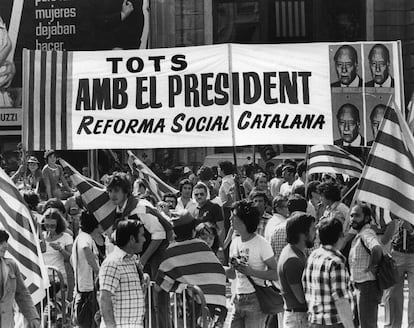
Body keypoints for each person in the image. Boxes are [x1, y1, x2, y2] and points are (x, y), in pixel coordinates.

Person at [156, 212, 227, 327]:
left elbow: (159, 285)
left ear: (174, 232)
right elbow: (218, 272)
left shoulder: (171, 252)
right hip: (217, 303)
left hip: (197, 306)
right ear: (193, 230)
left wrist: (179, 287)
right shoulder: (203, 246)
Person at [107, 172, 171, 278]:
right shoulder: (116, 210)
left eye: (116, 191)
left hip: (156, 257)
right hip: (136, 257)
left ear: (126, 191)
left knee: (155, 290)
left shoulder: (140, 208)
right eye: (110, 191)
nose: (112, 195)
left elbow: (159, 235)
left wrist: (143, 261)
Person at [227, 200, 278, 328]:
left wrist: (251, 272)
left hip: (255, 299)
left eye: (233, 216)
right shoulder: (235, 242)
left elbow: (276, 273)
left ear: (243, 220)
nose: (230, 219)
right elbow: (232, 275)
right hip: (238, 299)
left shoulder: (262, 243)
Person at [303, 218, 355, 328]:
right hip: (333, 323)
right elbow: (341, 300)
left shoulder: (313, 256)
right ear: (340, 236)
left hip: (315, 320)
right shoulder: (336, 263)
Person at [99, 219, 146, 328]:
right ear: (132, 239)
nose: (144, 239)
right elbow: (105, 298)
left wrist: (145, 278)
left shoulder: (133, 260)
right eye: (142, 235)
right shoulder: (112, 263)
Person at [278, 213, 316, 328]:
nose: (316, 233)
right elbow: (301, 297)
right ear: (303, 233)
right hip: (298, 319)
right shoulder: (292, 260)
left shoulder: (295, 253)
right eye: (313, 229)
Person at [348, 204, 383, 328]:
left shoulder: (367, 233)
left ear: (367, 218)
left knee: (367, 325)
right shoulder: (360, 234)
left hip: (367, 286)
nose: (352, 219)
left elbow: (377, 249)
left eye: (357, 215)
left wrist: (373, 265)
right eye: (351, 215)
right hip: (359, 286)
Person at [0, 230, 41, 328]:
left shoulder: (11, 266)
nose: (5, 246)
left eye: (6, 242)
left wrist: (32, 317)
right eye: (1, 242)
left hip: (6, 323)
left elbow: (22, 293)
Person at [71, 211, 101, 328]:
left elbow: (71, 259)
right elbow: (85, 248)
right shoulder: (85, 237)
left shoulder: (81, 236)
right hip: (87, 291)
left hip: (83, 289)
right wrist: (98, 271)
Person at [384, 218, 414, 328]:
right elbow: (386, 233)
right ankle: (393, 325)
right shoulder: (398, 207)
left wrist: (411, 230)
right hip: (397, 253)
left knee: (413, 295)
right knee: (392, 294)